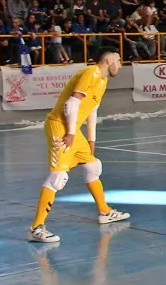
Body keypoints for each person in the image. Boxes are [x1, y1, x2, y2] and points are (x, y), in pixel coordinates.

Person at [28, 47, 130, 243]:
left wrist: (91, 140)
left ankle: (104, 211)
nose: (121, 64)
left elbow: (92, 110)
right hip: (60, 126)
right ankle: (36, 228)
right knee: (58, 177)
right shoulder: (90, 73)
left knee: (93, 166)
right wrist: (71, 134)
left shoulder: (102, 80)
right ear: (108, 60)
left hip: (73, 129)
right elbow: (71, 103)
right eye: (118, 59)